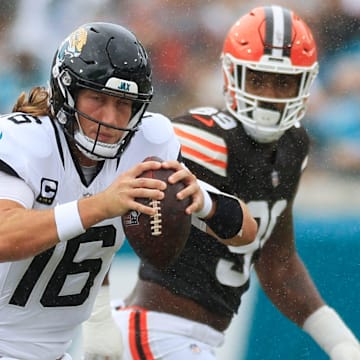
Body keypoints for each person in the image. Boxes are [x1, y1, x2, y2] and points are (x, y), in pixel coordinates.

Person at [87, 5, 360, 360]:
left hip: (201, 340)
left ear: (305, 83)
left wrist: (340, 342)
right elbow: (99, 193)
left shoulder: (294, 146)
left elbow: (278, 263)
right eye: (258, 79)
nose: (270, 95)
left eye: (283, 82)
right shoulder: (200, 136)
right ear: (232, 76)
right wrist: (97, 316)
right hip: (155, 329)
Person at [0, 21, 259, 360]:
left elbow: (247, 232)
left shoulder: (147, 144)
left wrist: (203, 201)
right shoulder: (29, 140)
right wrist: (100, 206)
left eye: (124, 104)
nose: (111, 118)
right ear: (67, 91)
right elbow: (4, 236)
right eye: (98, 98)